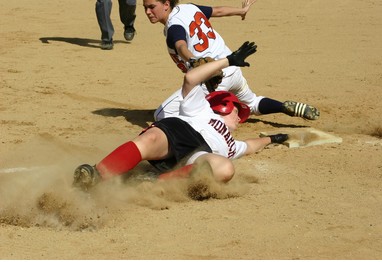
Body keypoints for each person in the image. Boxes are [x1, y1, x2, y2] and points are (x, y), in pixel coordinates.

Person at [73, 41, 288, 192]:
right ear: (224, 105)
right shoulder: (201, 107)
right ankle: (95, 175)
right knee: (151, 139)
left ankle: (154, 182)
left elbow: (250, 146)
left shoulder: (232, 144)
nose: (239, 117)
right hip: (180, 131)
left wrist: (273, 138)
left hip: (199, 155)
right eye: (236, 111)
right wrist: (228, 60)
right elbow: (190, 78)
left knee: (225, 168)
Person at [142, 0, 320, 121]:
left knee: (161, 115)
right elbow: (218, 11)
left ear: (166, 4)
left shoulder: (173, 26)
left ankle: (213, 119)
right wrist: (241, 11)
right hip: (233, 68)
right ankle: (282, 107)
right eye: (145, 7)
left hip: (213, 80)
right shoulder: (189, 7)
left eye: (151, 6)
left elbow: (180, 46)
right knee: (251, 103)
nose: (148, 12)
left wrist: (194, 60)